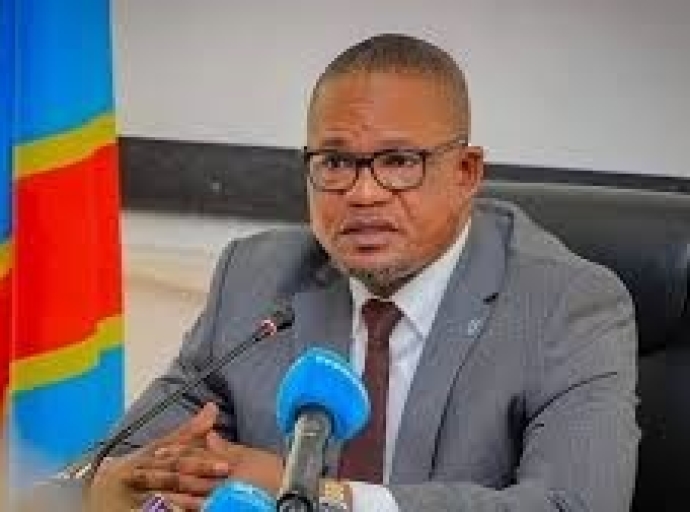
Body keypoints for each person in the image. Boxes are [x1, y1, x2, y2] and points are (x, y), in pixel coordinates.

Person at [87, 34, 639, 511]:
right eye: (335, 162)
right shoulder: (255, 280)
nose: (364, 193)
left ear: (466, 173)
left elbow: (573, 504)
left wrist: (317, 496)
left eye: (398, 161)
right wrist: (119, 484)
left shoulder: (567, 306)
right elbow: (114, 463)